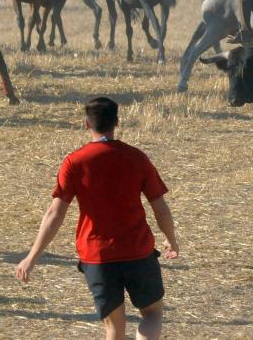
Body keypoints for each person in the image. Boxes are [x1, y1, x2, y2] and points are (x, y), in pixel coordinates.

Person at [15, 96, 179, 340]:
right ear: (117, 122)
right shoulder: (137, 158)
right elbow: (161, 208)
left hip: (97, 256)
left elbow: (55, 213)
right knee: (152, 314)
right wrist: (171, 240)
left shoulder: (75, 162)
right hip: (138, 251)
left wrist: (32, 257)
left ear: (86, 124)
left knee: (114, 328)